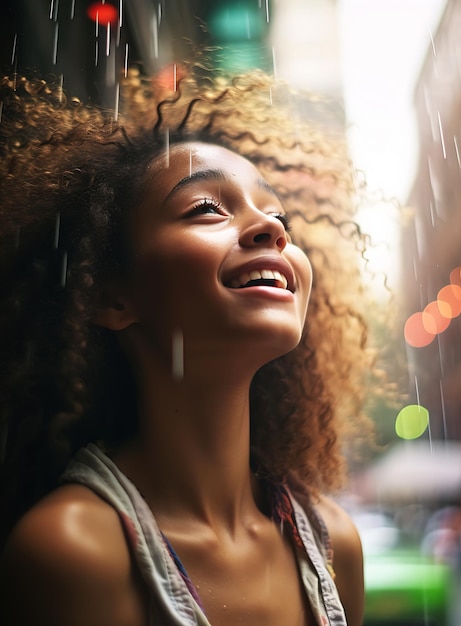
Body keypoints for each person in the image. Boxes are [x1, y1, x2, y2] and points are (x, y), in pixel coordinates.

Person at [0, 62, 369, 626]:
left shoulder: (334, 541)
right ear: (110, 296)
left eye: (277, 215)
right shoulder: (75, 551)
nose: (273, 231)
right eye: (206, 209)